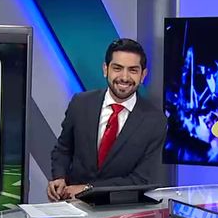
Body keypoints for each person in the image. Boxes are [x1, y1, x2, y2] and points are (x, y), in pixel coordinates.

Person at [48, 38, 166, 201]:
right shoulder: (80, 103)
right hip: (72, 205)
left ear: (143, 75)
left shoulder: (155, 120)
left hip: (120, 208)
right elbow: (63, 149)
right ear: (106, 69)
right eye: (117, 68)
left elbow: (142, 179)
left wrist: (88, 189)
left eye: (133, 70)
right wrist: (59, 178)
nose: (124, 77)